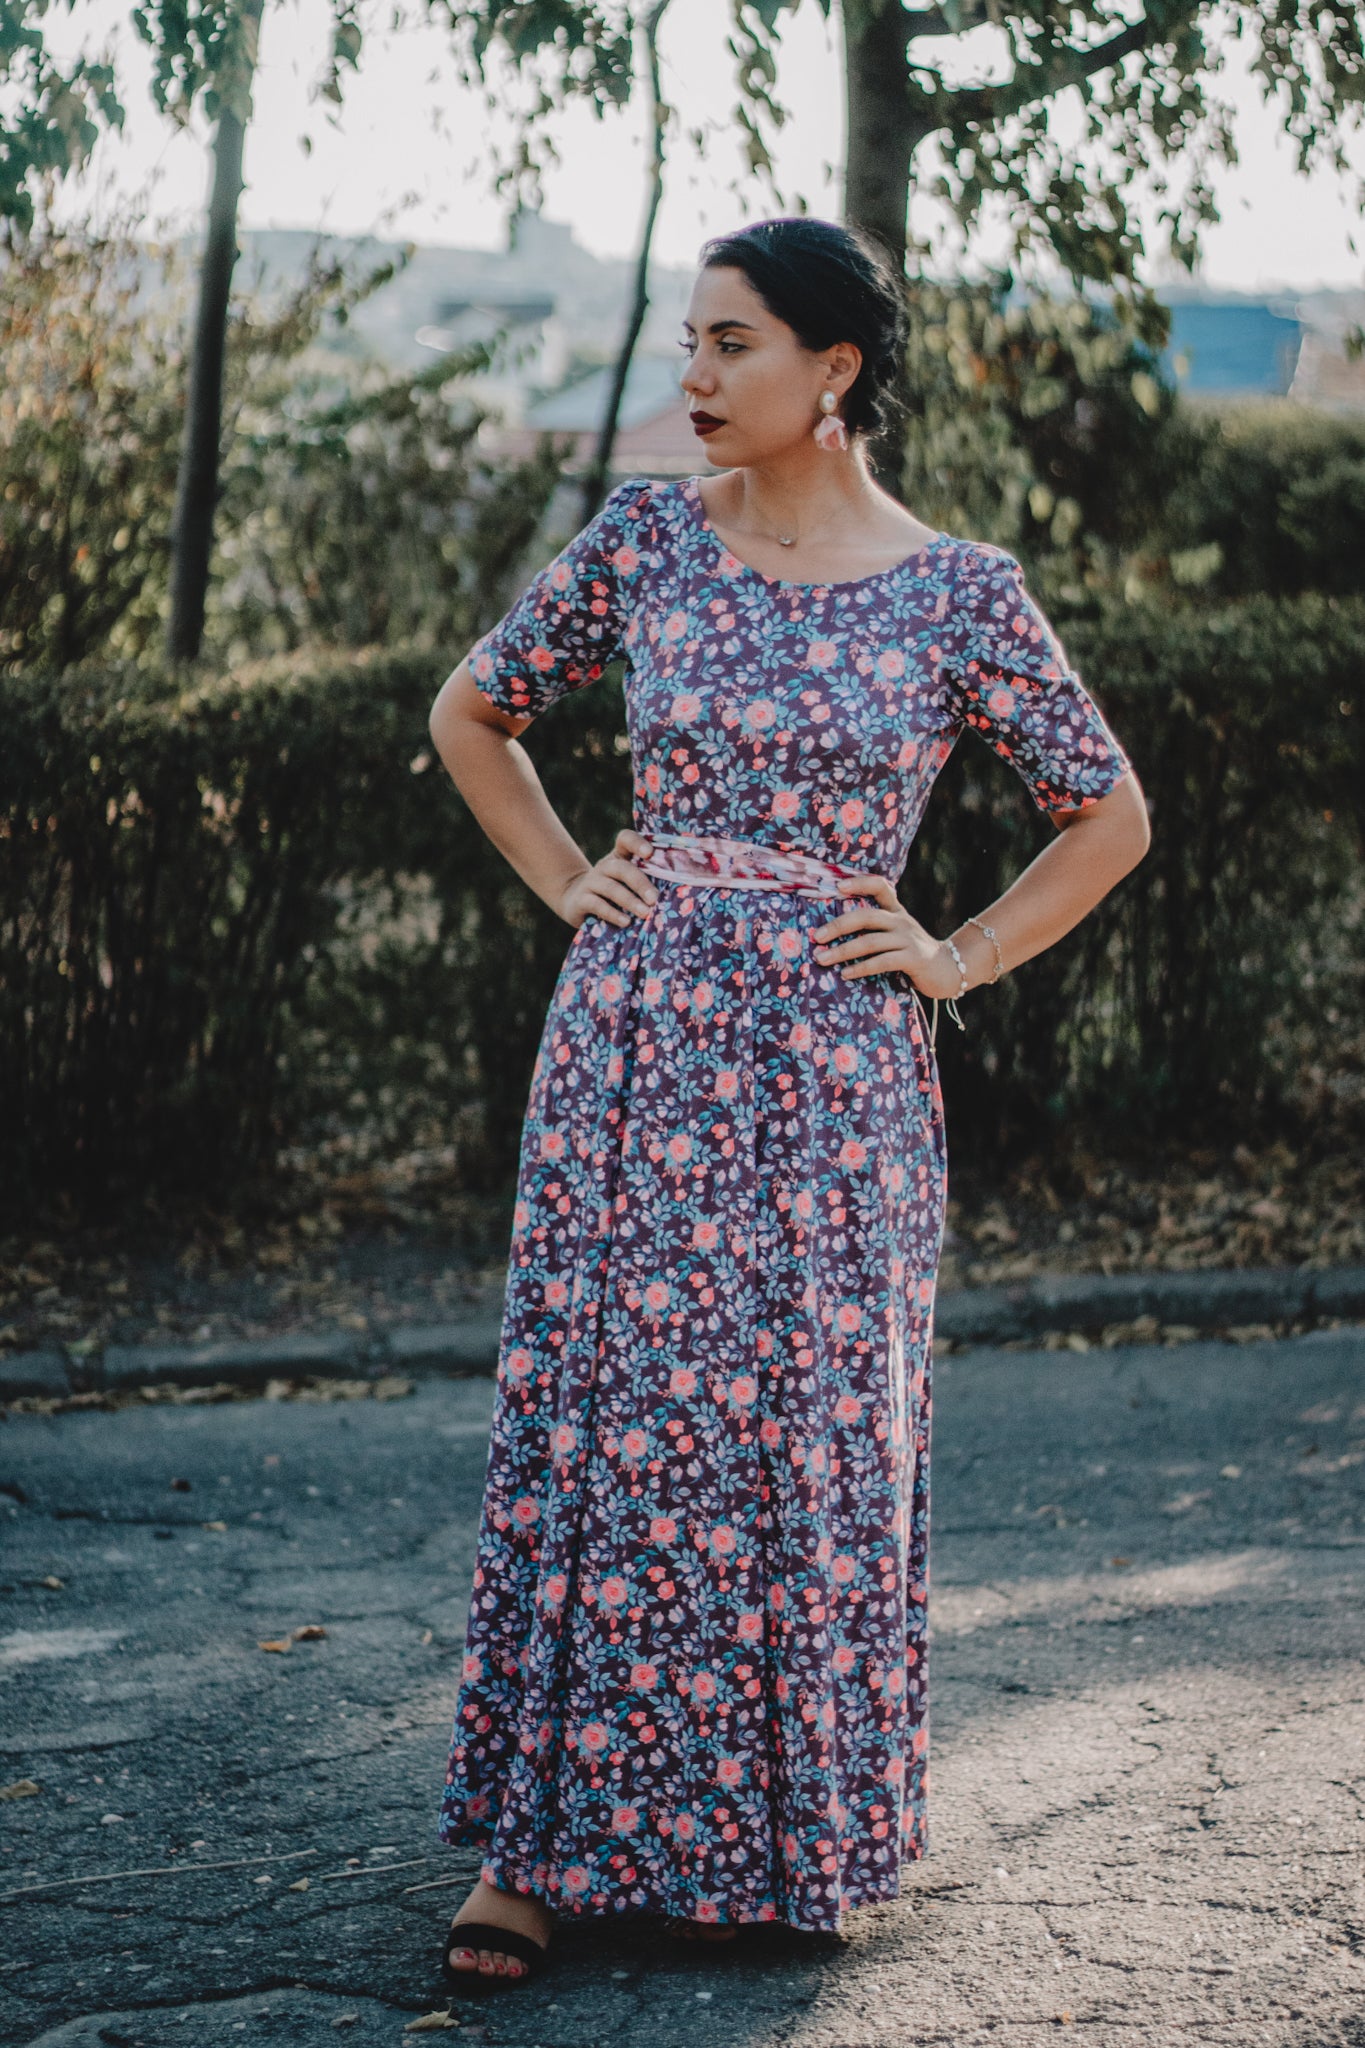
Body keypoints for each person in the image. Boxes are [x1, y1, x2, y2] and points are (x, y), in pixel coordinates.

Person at [425, 215, 1151, 1991]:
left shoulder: (960, 590)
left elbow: (1108, 815)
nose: (692, 376)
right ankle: (539, 1852)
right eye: (688, 340)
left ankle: (777, 1839)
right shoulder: (649, 541)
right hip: (639, 1046)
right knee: (611, 1425)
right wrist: (567, 876)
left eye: (730, 344)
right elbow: (472, 711)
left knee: (797, 1438)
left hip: (837, 1075)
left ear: (833, 370)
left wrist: (955, 955)